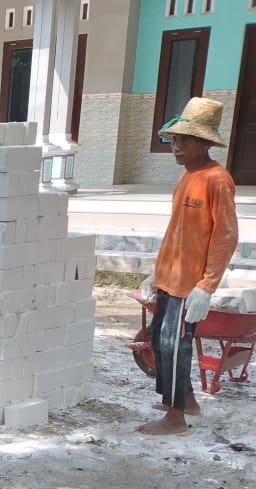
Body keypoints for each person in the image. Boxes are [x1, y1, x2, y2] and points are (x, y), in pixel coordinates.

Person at [136, 97, 238, 436]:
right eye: (174, 140)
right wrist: (158, 271)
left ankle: (175, 418)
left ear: (204, 143)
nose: (176, 147)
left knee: (173, 346)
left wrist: (206, 286)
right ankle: (186, 401)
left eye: (184, 141)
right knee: (160, 341)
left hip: (189, 284)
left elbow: (225, 236)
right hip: (171, 277)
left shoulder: (216, 179)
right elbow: (178, 231)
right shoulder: (188, 176)